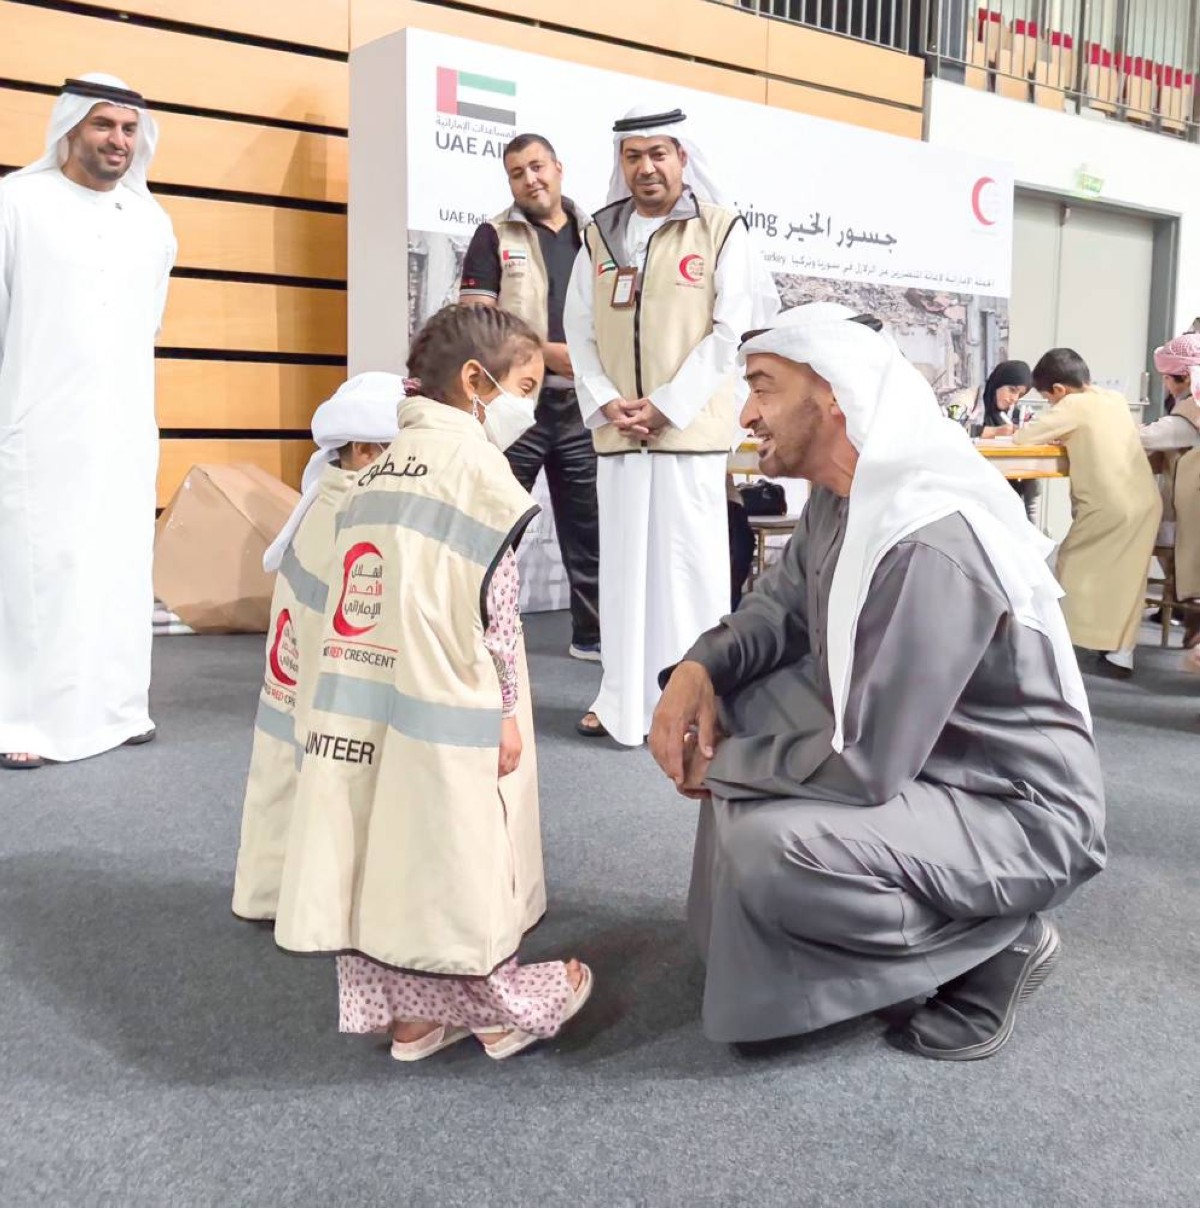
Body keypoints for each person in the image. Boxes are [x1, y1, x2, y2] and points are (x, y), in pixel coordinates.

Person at [648, 304, 1105, 1060]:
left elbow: (867, 766)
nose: (746, 414)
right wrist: (699, 668)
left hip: (1012, 808)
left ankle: (996, 944)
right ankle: (794, 959)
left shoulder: (927, 541)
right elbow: (778, 609)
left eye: (761, 387)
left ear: (833, 395)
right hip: (924, 758)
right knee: (732, 698)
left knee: (775, 847)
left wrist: (721, 763)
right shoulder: (845, 495)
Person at [273, 305, 591, 1062]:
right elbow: (496, 612)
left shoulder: (376, 466)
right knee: (454, 854)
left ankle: (410, 1018)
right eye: (523, 387)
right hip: (451, 702)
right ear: (476, 381)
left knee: (379, 848)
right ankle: (500, 1012)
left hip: (361, 697)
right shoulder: (480, 473)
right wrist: (506, 710)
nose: (528, 406)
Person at [564, 104, 777, 744]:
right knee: (623, 577)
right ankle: (620, 699)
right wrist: (607, 401)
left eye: (659, 153)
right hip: (619, 435)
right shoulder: (599, 236)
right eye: (633, 156)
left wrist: (667, 404)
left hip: (685, 434)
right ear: (620, 163)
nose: (646, 167)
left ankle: (690, 706)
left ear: (682, 158)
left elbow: (732, 330)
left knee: (687, 575)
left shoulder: (719, 230)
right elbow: (579, 330)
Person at [0, 74, 176, 770]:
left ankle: (119, 708)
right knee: (39, 571)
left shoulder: (153, 224)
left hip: (125, 428)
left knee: (120, 568)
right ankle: (22, 721)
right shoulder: (17, 204)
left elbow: (148, 325)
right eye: (104, 125)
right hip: (37, 423)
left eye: (130, 129)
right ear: (70, 127)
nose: (118, 141)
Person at [232, 372, 406, 922]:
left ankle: (270, 892)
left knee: (282, 779)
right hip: (327, 703)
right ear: (364, 450)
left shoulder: (324, 503)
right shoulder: (353, 518)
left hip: (294, 691)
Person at [460, 133, 600, 661]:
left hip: (582, 406)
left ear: (558, 168)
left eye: (537, 166)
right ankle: (472, 630)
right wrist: (543, 354)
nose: (530, 179)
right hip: (516, 407)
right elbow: (476, 322)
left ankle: (592, 636)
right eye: (517, 173)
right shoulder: (493, 235)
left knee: (589, 528)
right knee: (499, 522)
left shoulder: (596, 237)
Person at [1014, 349, 1161, 678]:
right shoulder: (1113, 399)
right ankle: (1120, 654)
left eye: (1048, 399)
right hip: (1144, 501)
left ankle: (1059, 641)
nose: (1051, 405)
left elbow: (1024, 437)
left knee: (1071, 565)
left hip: (1109, 506)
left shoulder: (1072, 406)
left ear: (1059, 390)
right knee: (1128, 579)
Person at [1140, 333, 1200, 647]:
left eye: (1166, 377)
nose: (1164, 383)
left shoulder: (1192, 412)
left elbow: (1148, 438)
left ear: (1183, 378)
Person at [976, 359, 1038, 520]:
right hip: (976, 486)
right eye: (1012, 390)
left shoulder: (1012, 413)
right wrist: (994, 432)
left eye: (1020, 395)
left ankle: (1029, 525)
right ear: (999, 382)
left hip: (1006, 485)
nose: (1014, 398)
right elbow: (954, 428)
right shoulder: (971, 400)